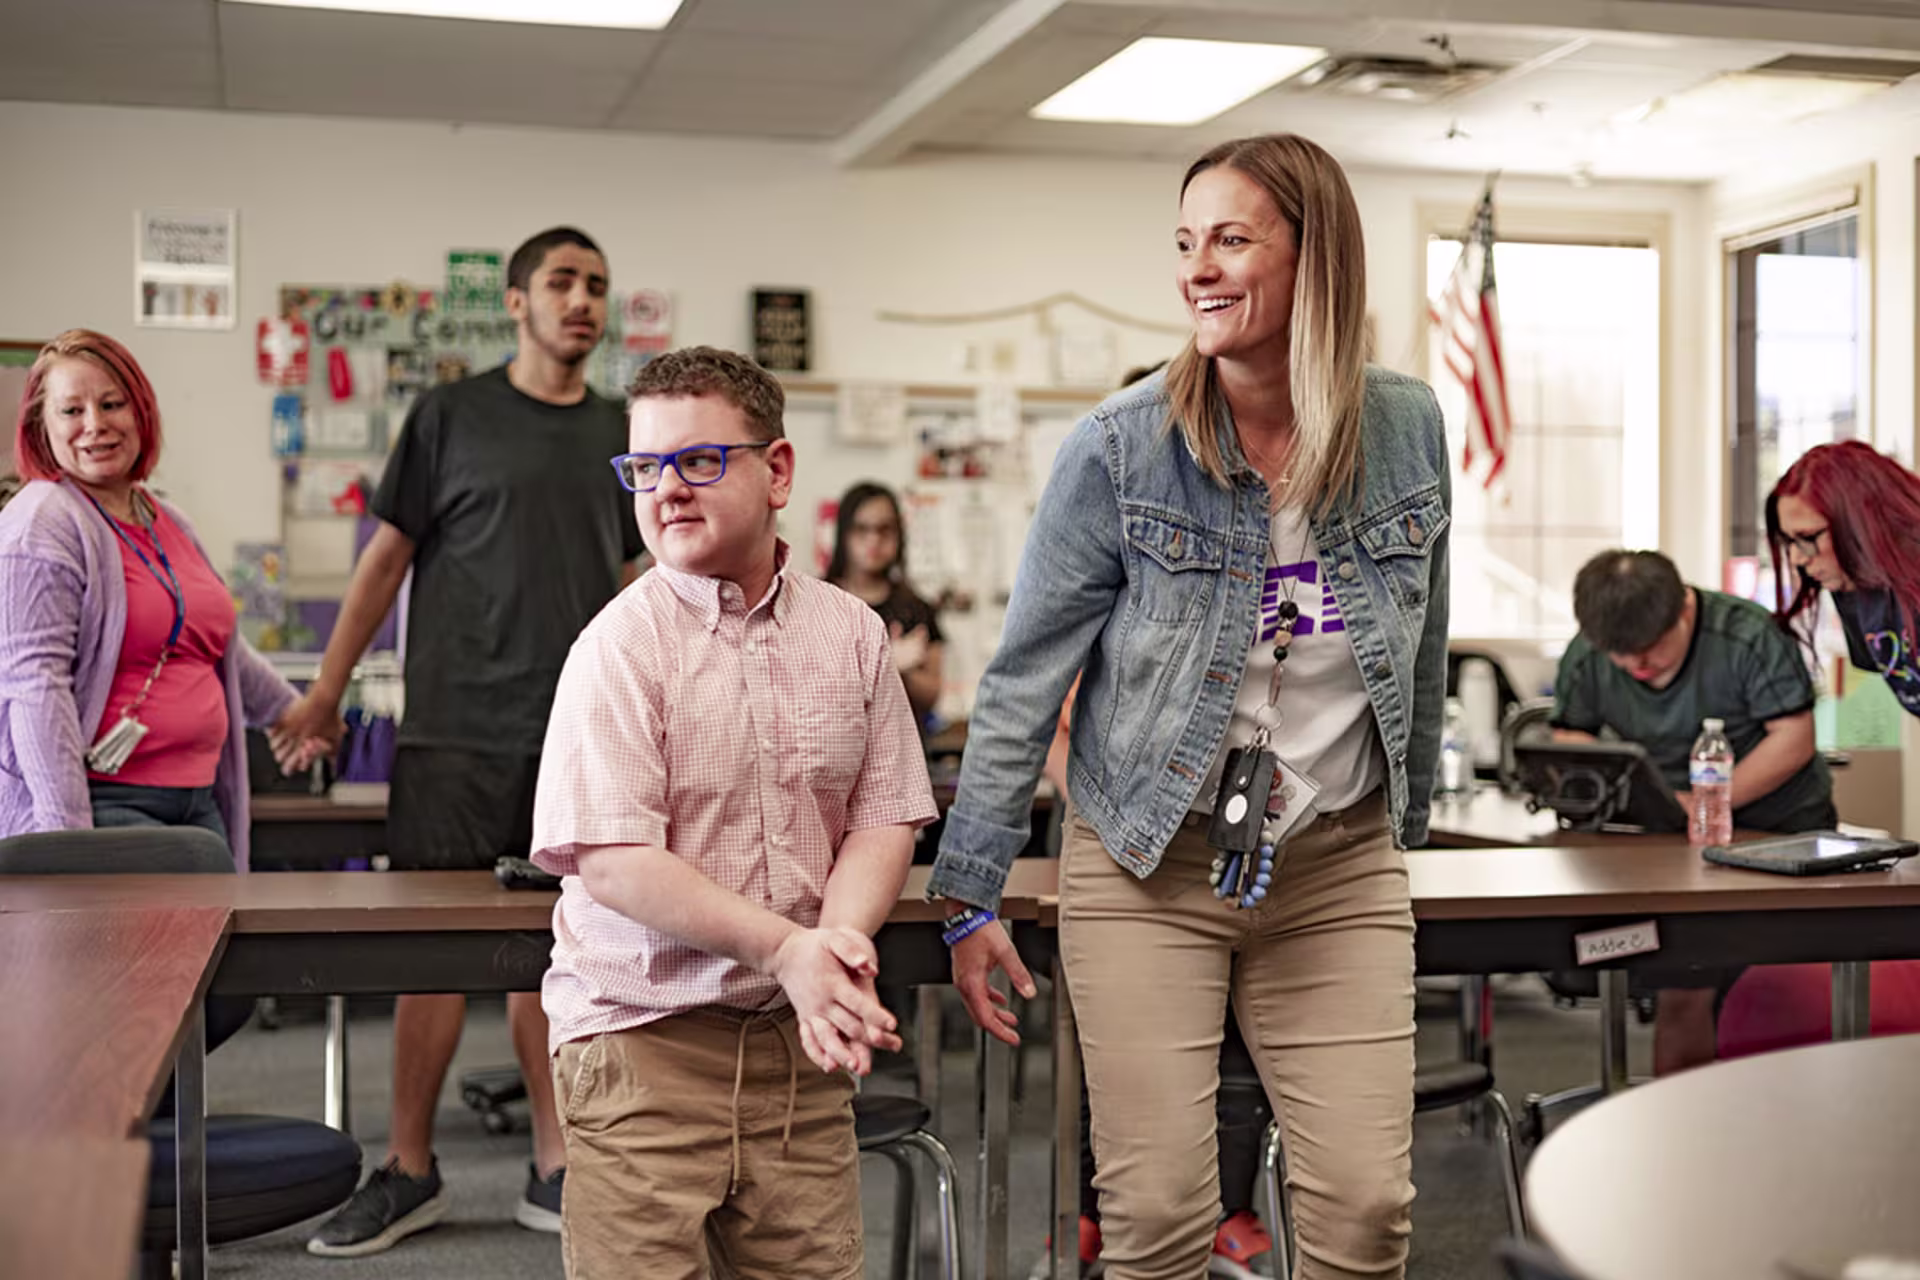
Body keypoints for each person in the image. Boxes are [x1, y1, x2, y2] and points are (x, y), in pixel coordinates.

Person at [932, 133, 1451, 1280]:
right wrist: (968, 895)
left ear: (1315, 257)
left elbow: (1422, 645)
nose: (1197, 269)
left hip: (1336, 867)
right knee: (1160, 1216)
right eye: (1184, 242)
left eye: (1230, 238)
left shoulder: (1409, 427)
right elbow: (1023, 679)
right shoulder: (1121, 449)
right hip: (1148, 864)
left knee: (1367, 1212)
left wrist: (1408, 827)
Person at [279, 228, 645, 1257]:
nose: (583, 300)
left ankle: (556, 1162)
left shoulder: (620, 430)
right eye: (563, 283)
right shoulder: (450, 415)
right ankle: (408, 1167)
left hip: (575, 739)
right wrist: (324, 694)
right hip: (450, 731)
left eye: (597, 287)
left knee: (561, 957)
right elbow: (382, 563)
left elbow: (634, 590)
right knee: (428, 957)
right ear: (519, 302)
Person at [531, 346, 936, 1277]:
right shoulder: (618, 648)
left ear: (778, 470)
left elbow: (884, 816)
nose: (666, 489)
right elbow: (617, 861)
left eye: (699, 461)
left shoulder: (852, 634)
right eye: (645, 467)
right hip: (643, 1051)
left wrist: (831, 948)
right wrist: (789, 950)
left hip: (798, 1048)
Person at [0, 329, 330, 858]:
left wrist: (295, 716)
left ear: (141, 413)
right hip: (103, 805)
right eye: (71, 411)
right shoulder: (42, 521)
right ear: (41, 425)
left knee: (211, 943)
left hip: (197, 802)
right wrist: (68, 846)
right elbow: (36, 689)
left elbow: (218, 648)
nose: (95, 425)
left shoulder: (164, 518)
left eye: (112, 404)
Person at [1551, 548, 1835, 1074]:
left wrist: (1702, 804)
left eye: (1651, 651)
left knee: (1777, 993)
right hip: (1665, 843)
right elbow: (1570, 731)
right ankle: (1681, 1131)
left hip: (1773, 828)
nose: (1638, 667)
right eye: (1621, 657)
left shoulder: (1747, 637)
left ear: (1684, 609)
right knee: (1685, 985)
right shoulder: (1592, 648)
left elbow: (1794, 738)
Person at [1768, 440, 1920, 717]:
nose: (1796, 559)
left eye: (1808, 538)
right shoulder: (1854, 587)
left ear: (1862, 521)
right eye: (1789, 541)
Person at [825, 481, 944, 722]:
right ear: (844, 534)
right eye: (862, 529)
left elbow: (932, 695)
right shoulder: (818, 602)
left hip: (900, 746)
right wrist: (888, 662)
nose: (874, 540)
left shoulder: (917, 609)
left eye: (884, 529)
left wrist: (902, 673)